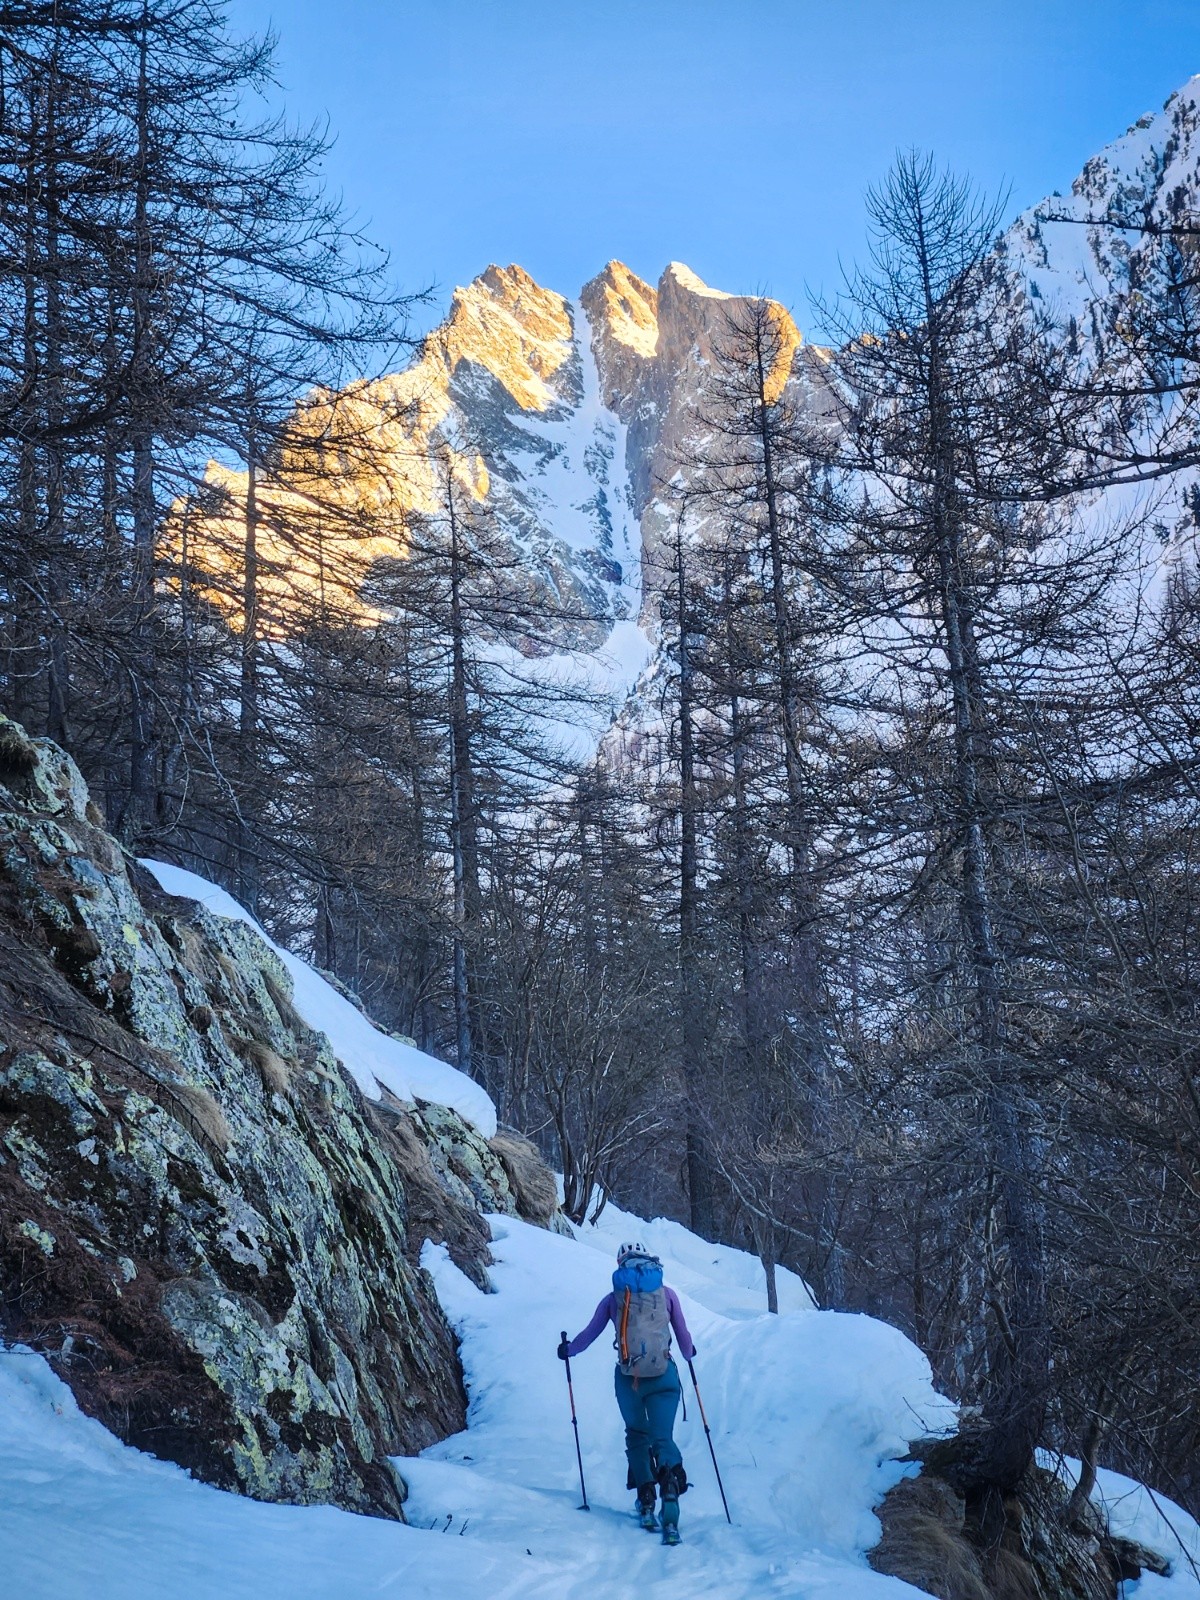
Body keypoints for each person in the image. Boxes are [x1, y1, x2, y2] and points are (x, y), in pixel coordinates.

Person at [558, 1241, 694, 1543]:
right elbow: (685, 1341)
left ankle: (646, 1498)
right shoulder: (667, 1295)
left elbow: (588, 1336)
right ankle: (670, 1491)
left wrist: (568, 1350)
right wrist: (689, 1353)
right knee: (662, 1437)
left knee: (636, 1433)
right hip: (664, 1376)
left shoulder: (614, 1299)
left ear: (620, 1264)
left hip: (629, 1379)